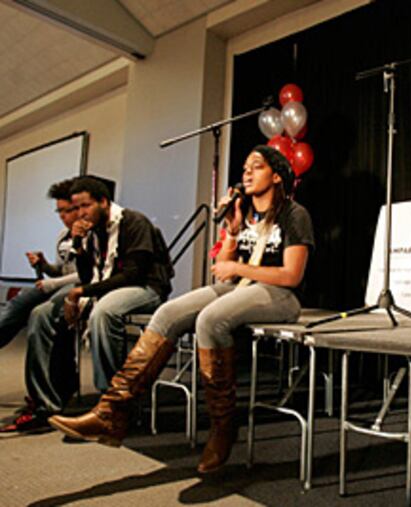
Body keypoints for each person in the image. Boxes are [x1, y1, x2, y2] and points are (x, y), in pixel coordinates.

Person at [49, 146, 314, 474]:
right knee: (168, 314)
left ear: (276, 175)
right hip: (240, 287)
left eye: (256, 167)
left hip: (280, 295)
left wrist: (238, 269)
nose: (246, 172)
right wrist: (231, 231)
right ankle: (112, 412)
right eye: (244, 167)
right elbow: (222, 266)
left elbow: (291, 275)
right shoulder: (246, 214)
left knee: (211, 319)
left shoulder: (294, 214)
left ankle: (222, 429)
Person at [9, 176, 173, 431]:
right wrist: (78, 245)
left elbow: (133, 274)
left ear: (104, 202)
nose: (79, 214)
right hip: (109, 286)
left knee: (104, 312)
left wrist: (79, 293)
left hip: (145, 288)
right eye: (76, 208)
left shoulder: (132, 221)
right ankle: (45, 404)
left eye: (85, 206)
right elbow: (88, 275)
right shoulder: (93, 231)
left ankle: (112, 404)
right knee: (40, 314)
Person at [0, 178, 79, 351]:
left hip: (80, 286)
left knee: (42, 312)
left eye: (67, 210)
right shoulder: (63, 235)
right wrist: (44, 265)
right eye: (59, 211)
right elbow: (60, 272)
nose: (63, 216)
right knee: (18, 303)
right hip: (61, 285)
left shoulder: (92, 235)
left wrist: (51, 284)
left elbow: (91, 273)